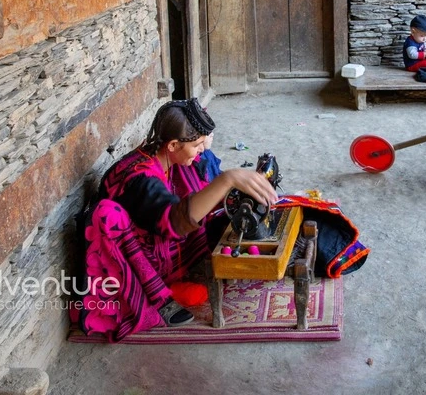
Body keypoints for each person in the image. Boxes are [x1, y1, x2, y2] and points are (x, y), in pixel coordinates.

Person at [75, 99, 277, 341]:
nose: (203, 149)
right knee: (108, 214)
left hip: (153, 235)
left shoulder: (167, 157)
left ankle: (175, 276)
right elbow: (174, 223)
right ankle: (153, 295)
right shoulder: (140, 178)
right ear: (172, 144)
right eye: (197, 144)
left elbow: (199, 181)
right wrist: (227, 180)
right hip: (128, 255)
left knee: (197, 171)